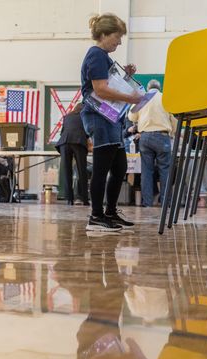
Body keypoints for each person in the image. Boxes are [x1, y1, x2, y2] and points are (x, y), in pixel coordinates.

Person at [80, 14, 141, 232]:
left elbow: (109, 83)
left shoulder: (102, 56)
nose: (119, 42)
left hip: (110, 118)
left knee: (119, 167)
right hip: (99, 117)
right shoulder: (96, 54)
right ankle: (96, 215)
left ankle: (110, 212)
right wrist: (131, 98)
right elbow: (100, 89)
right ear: (104, 35)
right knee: (101, 167)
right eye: (116, 37)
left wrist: (126, 77)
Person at [127, 79, 177, 207]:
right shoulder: (165, 98)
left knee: (146, 171)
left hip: (145, 137)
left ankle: (147, 202)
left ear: (148, 88)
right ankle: (166, 202)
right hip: (162, 136)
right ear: (159, 88)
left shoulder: (143, 97)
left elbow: (131, 116)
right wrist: (172, 134)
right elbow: (174, 119)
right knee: (165, 170)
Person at [56, 103, 90, 206]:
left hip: (64, 143)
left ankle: (69, 199)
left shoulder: (67, 116)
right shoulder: (84, 115)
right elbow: (88, 131)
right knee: (82, 171)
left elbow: (62, 132)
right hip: (78, 142)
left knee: (67, 171)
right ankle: (84, 199)